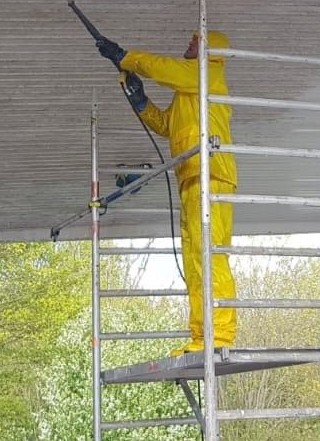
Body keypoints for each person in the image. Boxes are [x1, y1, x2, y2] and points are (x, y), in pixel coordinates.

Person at [97, 29, 237, 354]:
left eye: (196, 40)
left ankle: (221, 335)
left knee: (209, 256)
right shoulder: (189, 90)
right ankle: (203, 336)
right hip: (192, 178)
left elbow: (163, 69)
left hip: (212, 175)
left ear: (210, 49)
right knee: (195, 262)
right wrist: (142, 103)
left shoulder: (207, 74)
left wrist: (125, 57)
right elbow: (166, 126)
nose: (189, 42)